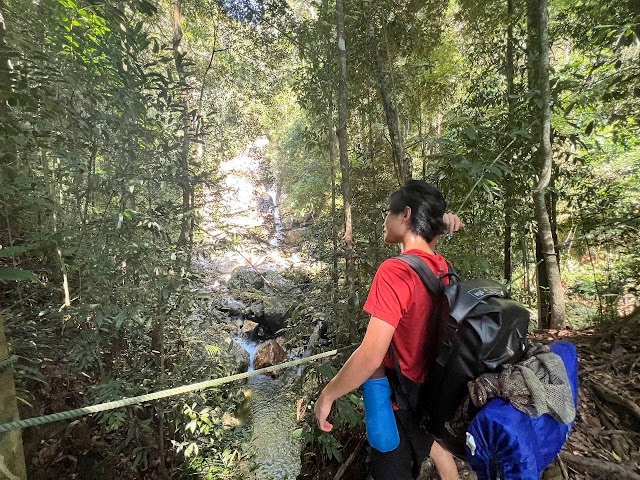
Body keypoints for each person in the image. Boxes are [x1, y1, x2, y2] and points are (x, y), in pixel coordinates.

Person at [314, 180, 463, 480]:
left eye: (387, 212)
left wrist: (327, 396)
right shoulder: (442, 267)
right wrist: (437, 225)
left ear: (405, 214)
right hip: (429, 399)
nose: (384, 220)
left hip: (398, 406)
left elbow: (370, 356)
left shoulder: (395, 271)